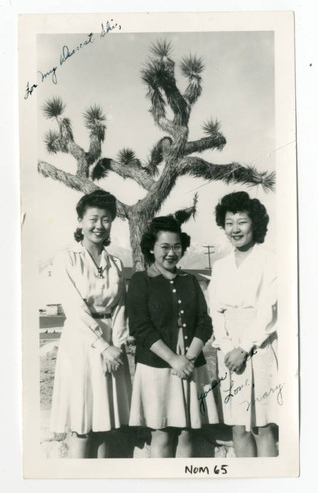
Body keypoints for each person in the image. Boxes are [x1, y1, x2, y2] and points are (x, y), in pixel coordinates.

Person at [127, 216, 218, 458]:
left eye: (176, 247)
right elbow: (140, 327)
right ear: (151, 248)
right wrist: (174, 360)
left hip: (191, 367)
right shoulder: (140, 281)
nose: (171, 253)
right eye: (164, 247)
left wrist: (188, 358)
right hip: (156, 369)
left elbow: (204, 322)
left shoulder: (189, 281)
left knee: (187, 433)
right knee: (162, 434)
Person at [50, 190, 132, 458]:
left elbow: (120, 306)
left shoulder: (116, 262)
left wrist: (116, 346)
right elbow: (74, 309)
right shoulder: (67, 259)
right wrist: (103, 346)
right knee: (83, 426)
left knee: (106, 426)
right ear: (80, 221)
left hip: (113, 346)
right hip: (82, 343)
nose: (99, 226)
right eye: (93, 219)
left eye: (106, 219)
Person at [209, 191, 278, 457]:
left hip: (259, 347)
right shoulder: (221, 266)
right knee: (238, 427)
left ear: (255, 224)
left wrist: (244, 348)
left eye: (242, 222)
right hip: (228, 351)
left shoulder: (269, 260)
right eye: (229, 223)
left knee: (262, 426)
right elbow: (216, 312)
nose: (235, 229)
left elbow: (268, 311)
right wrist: (227, 348)